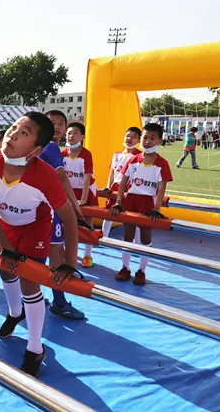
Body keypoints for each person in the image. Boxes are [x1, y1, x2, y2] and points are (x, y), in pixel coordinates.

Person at [0, 112, 79, 377]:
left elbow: (69, 218)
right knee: (5, 268)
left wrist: (70, 262)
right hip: (6, 224)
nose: (12, 133)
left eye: (24, 132)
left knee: (29, 280)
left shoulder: (45, 176)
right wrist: (4, 243)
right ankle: (14, 313)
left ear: (36, 150)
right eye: (13, 127)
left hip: (36, 226)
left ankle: (35, 347)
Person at [111, 123, 174, 286]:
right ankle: (125, 267)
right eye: (145, 137)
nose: (147, 141)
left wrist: (156, 208)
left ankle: (141, 270)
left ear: (159, 141)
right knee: (127, 236)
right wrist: (119, 202)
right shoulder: (132, 160)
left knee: (146, 239)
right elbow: (123, 181)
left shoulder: (162, 163)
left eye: (152, 138)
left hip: (148, 203)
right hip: (131, 200)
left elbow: (162, 187)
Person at [38, 110, 86, 320]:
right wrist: (75, 207)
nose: (57, 127)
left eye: (61, 123)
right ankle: (59, 302)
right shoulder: (49, 146)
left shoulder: (41, 146)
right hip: (48, 208)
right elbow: (62, 178)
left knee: (37, 254)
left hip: (37, 206)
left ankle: (31, 297)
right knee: (56, 253)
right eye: (52, 123)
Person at [61, 122, 98, 268]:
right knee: (69, 223)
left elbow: (87, 178)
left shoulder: (86, 154)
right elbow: (61, 177)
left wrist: (83, 200)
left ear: (82, 136)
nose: (71, 136)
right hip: (70, 192)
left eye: (75, 133)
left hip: (86, 192)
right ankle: (70, 254)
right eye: (69, 133)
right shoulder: (62, 154)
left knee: (87, 222)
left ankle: (87, 255)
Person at [98, 126, 143, 241]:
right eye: (128, 136)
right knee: (109, 214)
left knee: (132, 217)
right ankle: (103, 238)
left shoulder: (140, 156)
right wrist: (109, 187)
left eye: (134, 137)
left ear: (139, 140)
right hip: (115, 187)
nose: (130, 139)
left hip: (130, 189)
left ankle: (136, 244)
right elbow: (112, 172)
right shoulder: (117, 154)